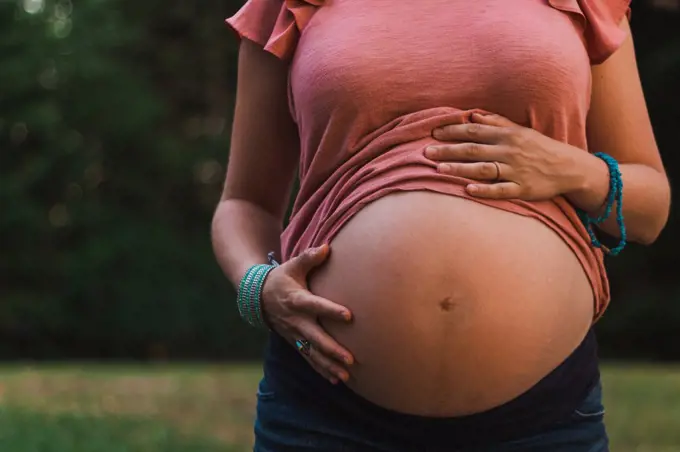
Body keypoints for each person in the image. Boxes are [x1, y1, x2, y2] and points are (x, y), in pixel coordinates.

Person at [211, 0, 671, 450]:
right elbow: (244, 202)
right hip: (326, 410)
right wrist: (259, 288)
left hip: (542, 417)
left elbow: (650, 208)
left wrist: (574, 169)